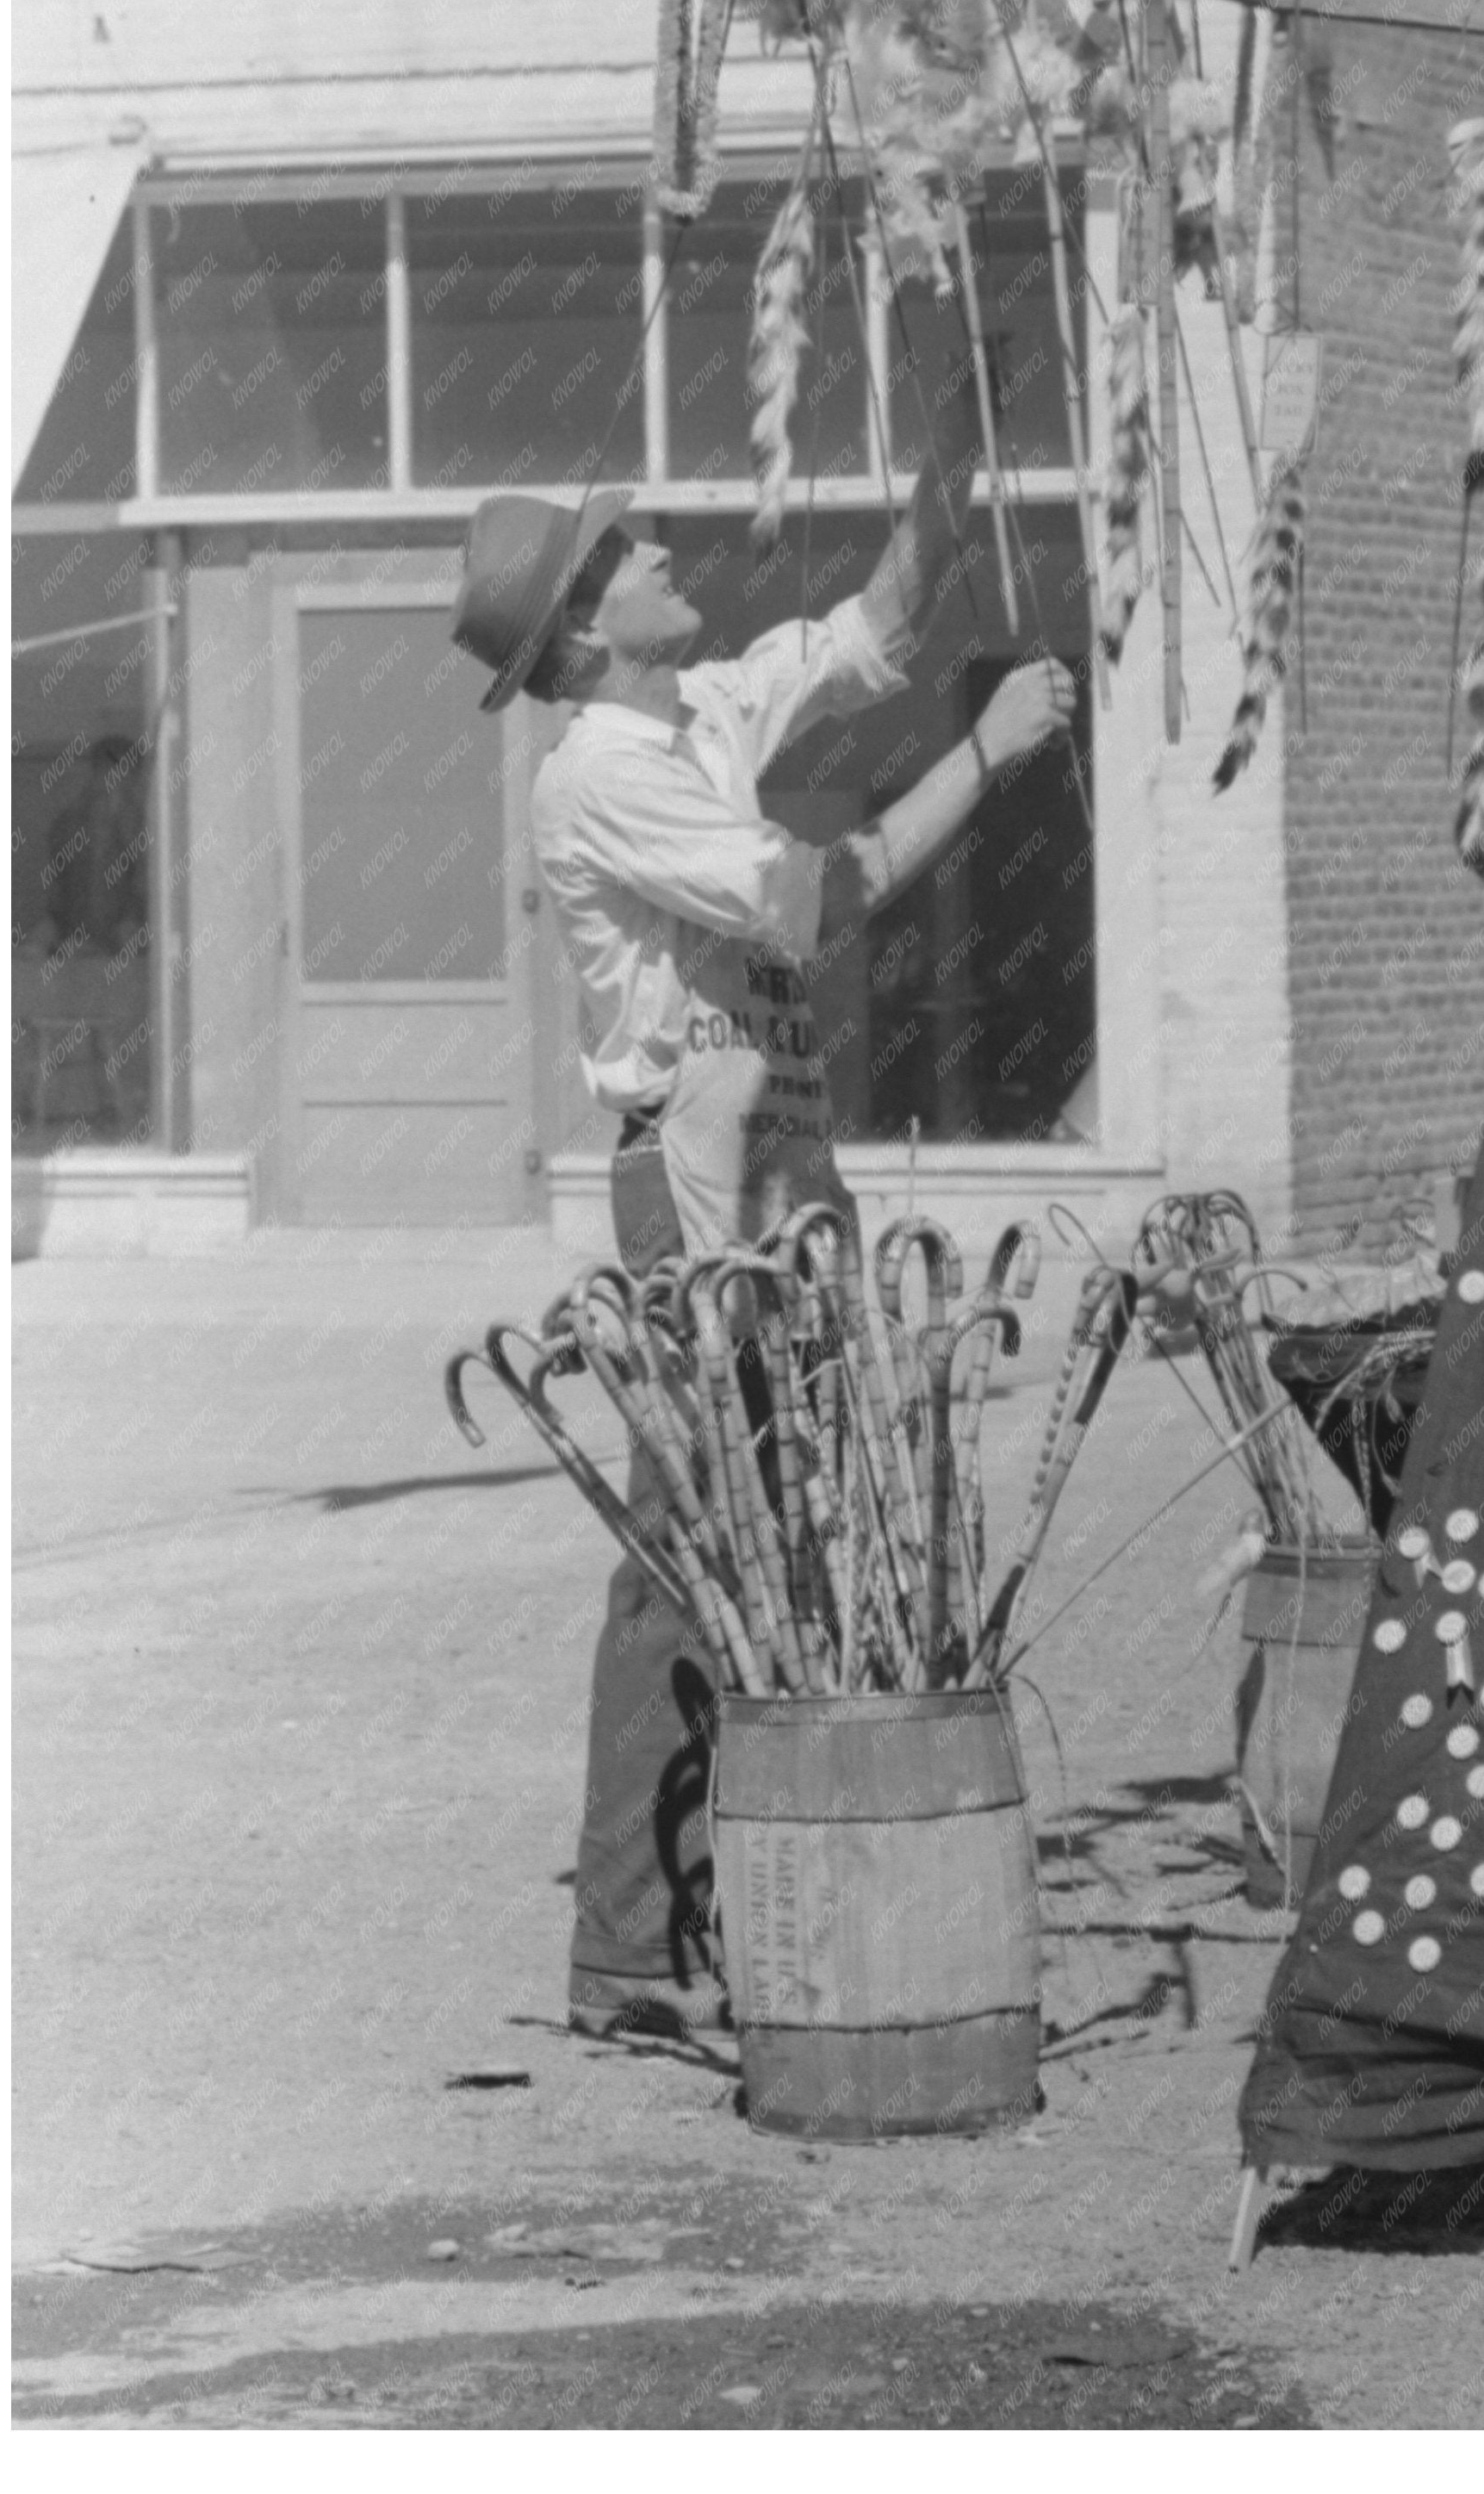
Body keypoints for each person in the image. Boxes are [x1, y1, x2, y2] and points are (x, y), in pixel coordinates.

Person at [450, 462, 1075, 2037]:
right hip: (694, 1180)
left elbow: (876, 619)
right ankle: (624, 1950)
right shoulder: (599, 769)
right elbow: (816, 903)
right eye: (625, 549)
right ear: (588, 633)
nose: (663, 543)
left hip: (780, 1161)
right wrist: (986, 762)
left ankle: (747, 1890)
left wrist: (947, 453)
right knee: (690, 1561)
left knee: (792, 1548)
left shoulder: (703, 704)